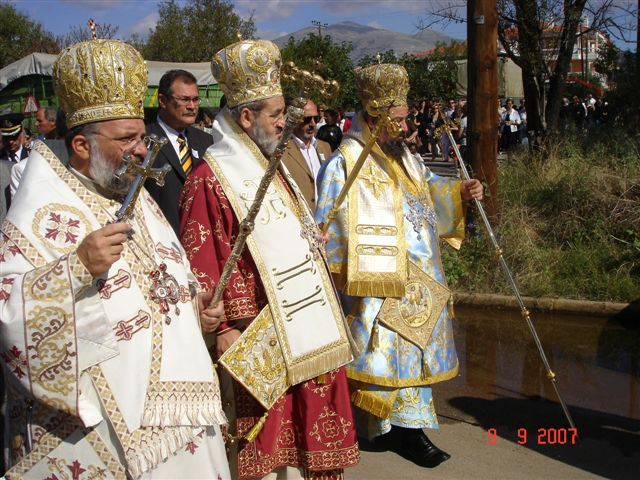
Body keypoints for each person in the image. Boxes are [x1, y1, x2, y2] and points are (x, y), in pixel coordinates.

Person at [0, 38, 229, 479]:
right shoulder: (41, 213)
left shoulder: (136, 196)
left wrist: (195, 310)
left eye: (142, 137)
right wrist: (76, 267)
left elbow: (161, 280)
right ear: (82, 146)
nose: (143, 150)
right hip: (106, 427)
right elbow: (10, 315)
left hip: (180, 417)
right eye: (127, 139)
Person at [179, 38, 359, 480]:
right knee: (267, 448)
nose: (286, 123)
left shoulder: (271, 164)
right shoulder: (209, 179)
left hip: (303, 322)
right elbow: (200, 259)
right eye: (277, 115)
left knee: (305, 442)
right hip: (256, 333)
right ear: (246, 117)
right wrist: (221, 328)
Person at [315, 63, 483, 469]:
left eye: (406, 118)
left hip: (419, 278)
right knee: (382, 355)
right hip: (379, 279)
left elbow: (427, 190)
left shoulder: (405, 155)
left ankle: (398, 430)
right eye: (399, 119)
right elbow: (329, 221)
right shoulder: (344, 163)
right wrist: (347, 275)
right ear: (373, 117)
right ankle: (400, 433)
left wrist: (459, 191)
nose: (406, 126)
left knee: (409, 355)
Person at [145, 69, 213, 234]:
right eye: (184, 99)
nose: (192, 107)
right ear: (162, 100)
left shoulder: (207, 142)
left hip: (203, 239)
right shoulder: (144, 141)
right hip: (163, 239)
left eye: (196, 100)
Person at [281, 99, 332, 211]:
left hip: (325, 220)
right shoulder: (281, 150)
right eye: (307, 119)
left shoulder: (325, 147)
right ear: (293, 120)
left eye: (316, 118)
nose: (312, 124)